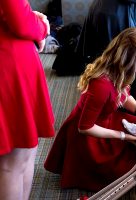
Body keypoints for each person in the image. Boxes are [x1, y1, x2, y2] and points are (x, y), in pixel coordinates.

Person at [44, 27, 136, 191]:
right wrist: (123, 136)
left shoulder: (119, 70)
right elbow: (84, 127)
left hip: (105, 119)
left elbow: (124, 94)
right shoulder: (101, 85)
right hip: (89, 133)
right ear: (127, 57)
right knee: (123, 169)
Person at [0, 0, 55, 199]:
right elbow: (20, 22)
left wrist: (30, 15)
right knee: (13, 162)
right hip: (8, 64)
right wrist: (40, 25)